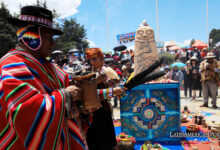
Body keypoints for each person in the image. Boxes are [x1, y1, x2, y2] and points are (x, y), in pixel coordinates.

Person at [0, 5, 90, 149]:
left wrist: (80, 108)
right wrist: (66, 95)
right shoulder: (11, 66)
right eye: (48, 37)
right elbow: (25, 113)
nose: (53, 43)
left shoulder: (51, 68)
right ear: (32, 37)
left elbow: (67, 110)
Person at [85, 48, 125, 150]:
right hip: (93, 115)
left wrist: (110, 84)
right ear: (92, 60)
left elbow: (103, 88)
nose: (103, 62)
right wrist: (111, 91)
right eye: (101, 59)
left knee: (107, 141)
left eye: (103, 59)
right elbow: (88, 95)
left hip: (104, 111)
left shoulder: (101, 72)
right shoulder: (84, 74)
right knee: (97, 141)